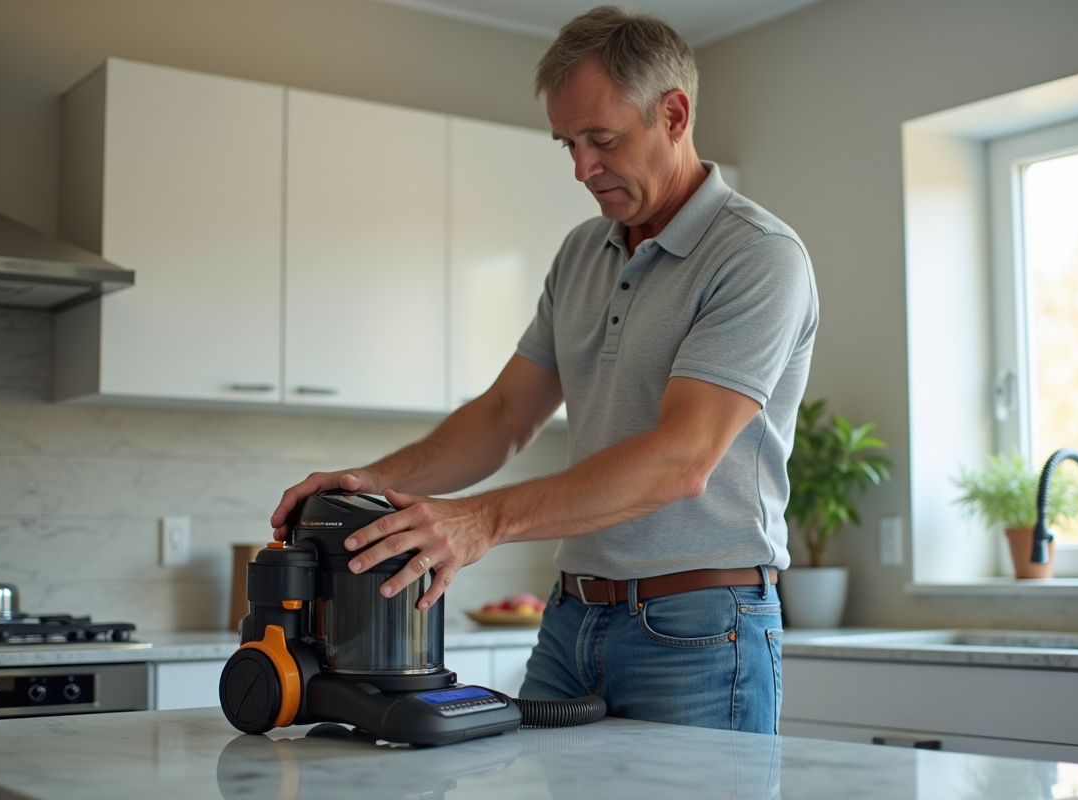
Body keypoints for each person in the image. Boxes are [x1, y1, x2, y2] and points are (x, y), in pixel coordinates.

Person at [270, 5, 818, 734]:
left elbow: (682, 460)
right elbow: (504, 416)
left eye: (603, 139)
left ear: (675, 114)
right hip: (571, 622)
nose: (582, 168)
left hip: (699, 628)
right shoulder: (583, 252)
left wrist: (482, 521)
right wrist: (370, 484)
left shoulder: (756, 257)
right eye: (568, 143)